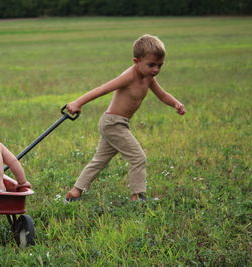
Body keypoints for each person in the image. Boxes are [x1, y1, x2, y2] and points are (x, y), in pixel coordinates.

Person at [65, 34, 186, 202]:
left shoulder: (149, 77)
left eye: (160, 65)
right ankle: (137, 197)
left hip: (118, 123)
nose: (156, 70)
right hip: (113, 123)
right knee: (138, 157)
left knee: (99, 160)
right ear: (136, 61)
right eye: (151, 65)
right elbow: (102, 89)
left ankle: (74, 193)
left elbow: (162, 95)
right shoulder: (129, 76)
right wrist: (78, 102)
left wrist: (176, 104)